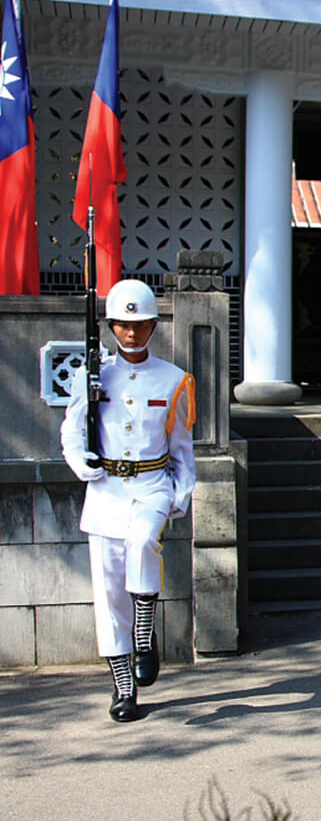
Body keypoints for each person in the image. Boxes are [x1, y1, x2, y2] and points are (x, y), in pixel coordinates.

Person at [60, 279, 195, 723]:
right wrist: (83, 464)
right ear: (112, 326)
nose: (131, 333)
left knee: (142, 542)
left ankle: (144, 632)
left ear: (154, 325)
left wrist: (181, 494)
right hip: (105, 491)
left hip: (152, 484)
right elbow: (72, 430)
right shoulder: (94, 375)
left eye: (140, 324)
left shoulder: (174, 380)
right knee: (108, 593)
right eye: (122, 324)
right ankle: (123, 688)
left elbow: (181, 446)